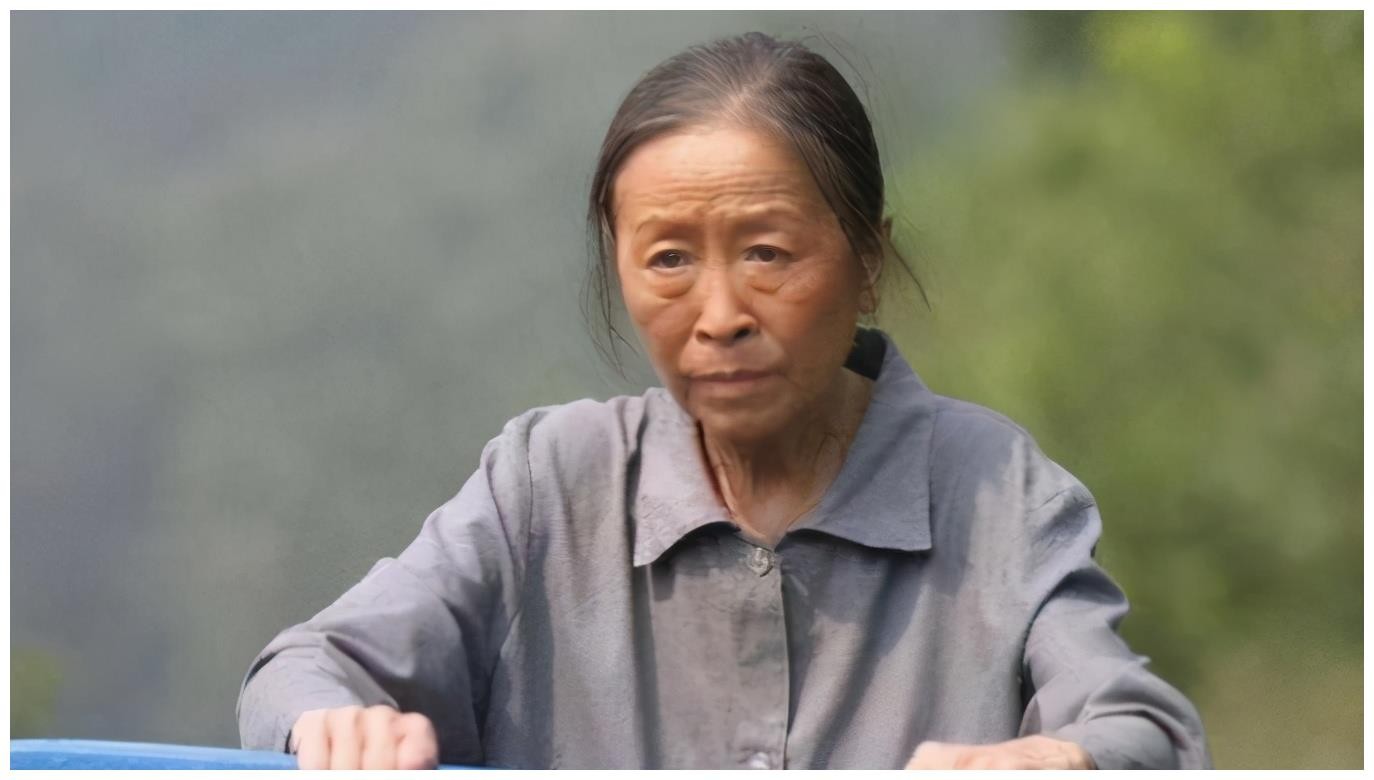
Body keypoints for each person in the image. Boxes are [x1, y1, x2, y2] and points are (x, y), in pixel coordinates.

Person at [236, 32, 1211, 770]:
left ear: (868, 260)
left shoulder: (998, 493)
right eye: (668, 260)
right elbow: (302, 669)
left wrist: (1056, 757)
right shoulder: (548, 485)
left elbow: (1142, 727)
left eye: (767, 253)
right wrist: (337, 724)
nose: (720, 317)